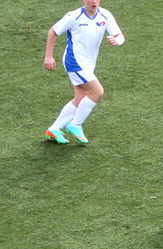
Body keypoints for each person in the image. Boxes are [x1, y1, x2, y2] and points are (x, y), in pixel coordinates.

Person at [44, 0, 125, 144]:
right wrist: (48, 56)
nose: (94, 2)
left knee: (81, 97)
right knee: (97, 92)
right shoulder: (74, 16)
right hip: (74, 61)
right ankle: (75, 125)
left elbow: (119, 35)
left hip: (89, 62)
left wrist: (117, 41)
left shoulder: (105, 15)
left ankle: (54, 129)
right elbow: (53, 31)